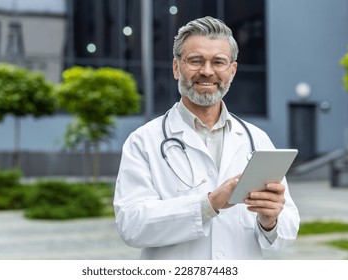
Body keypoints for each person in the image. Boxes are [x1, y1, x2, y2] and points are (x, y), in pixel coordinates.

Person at [113, 16, 300, 260]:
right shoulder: (144, 141)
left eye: (218, 62)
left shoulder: (257, 139)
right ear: (176, 67)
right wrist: (209, 204)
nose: (207, 71)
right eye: (195, 60)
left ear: (231, 71)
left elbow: (287, 229)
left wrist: (270, 220)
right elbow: (131, 225)